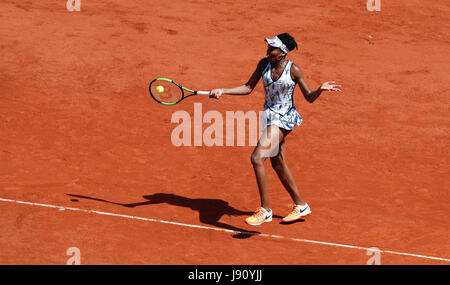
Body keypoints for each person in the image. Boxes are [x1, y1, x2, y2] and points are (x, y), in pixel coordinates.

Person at [210, 33, 341, 226]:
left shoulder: (294, 70)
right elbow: (248, 87)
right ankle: (301, 205)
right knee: (277, 163)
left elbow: (309, 97)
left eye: (272, 48)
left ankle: (265, 210)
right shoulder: (264, 64)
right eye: (268, 47)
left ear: (282, 53)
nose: (268, 51)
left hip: (284, 118)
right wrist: (223, 90)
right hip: (269, 117)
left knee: (256, 158)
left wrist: (320, 89)